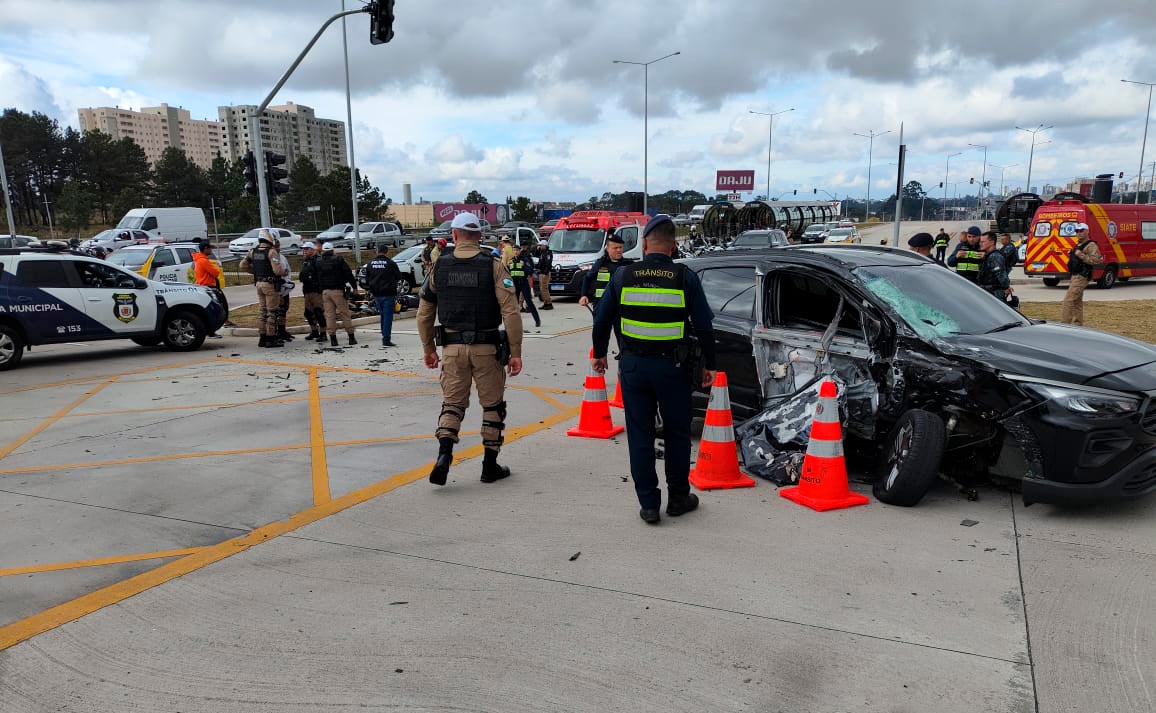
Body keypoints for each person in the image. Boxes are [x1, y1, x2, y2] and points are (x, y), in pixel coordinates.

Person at [591, 214, 716, 524]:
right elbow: (704, 326)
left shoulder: (622, 275)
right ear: (673, 246)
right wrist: (710, 365)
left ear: (645, 244)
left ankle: (649, 505)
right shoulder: (685, 277)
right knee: (677, 434)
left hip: (634, 368)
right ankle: (678, 498)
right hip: (674, 368)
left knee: (640, 435)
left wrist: (600, 353)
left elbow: (601, 319)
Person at [417, 212, 524, 486]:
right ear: (479, 236)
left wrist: (428, 348)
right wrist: (515, 352)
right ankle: (489, 466)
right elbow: (511, 312)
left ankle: (444, 456)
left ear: (454, 235)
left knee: (452, 404)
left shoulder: (438, 267)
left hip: (452, 349)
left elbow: (424, 313)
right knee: (493, 406)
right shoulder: (494, 265)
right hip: (486, 349)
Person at [239, 230, 285, 348]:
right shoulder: (271, 252)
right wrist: (284, 272)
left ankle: (262, 338)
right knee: (272, 312)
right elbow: (277, 271)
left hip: (259, 283)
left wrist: (255, 272)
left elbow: (242, 265)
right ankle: (270, 339)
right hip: (270, 285)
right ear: (270, 239)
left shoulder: (252, 252)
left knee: (262, 311)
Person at [316, 242, 358, 346]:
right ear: (332, 250)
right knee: (344, 313)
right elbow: (348, 273)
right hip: (338, 290)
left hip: (325, 292)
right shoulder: (339, 260)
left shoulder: (319, 261)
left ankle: (333, 339)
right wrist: (354, 287)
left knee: (329, 315)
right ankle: (351, 337)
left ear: (323, 251)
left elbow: (318, 277)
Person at [1062, 222, 1103, 326]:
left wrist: (1081, 256)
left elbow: (1097, 260)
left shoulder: (1091, 245)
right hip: (1074, 275)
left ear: (1087, 231)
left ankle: (1064, 324)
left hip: (1081, 276)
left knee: (1068, 300)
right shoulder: (1078, 245)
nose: (1079, 233)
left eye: (1081, 231)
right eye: (1077, 231)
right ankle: (1078, 324)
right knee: (1077, 302)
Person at [579, 232, 634, 308]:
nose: (619, 250)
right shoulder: (600, 264)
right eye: (615, 248)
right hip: (601, 305)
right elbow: (587, 278)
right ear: (607, 249)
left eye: (620, 247)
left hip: (621, 306)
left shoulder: (628, 265)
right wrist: (584, 295)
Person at [364, 243, 401, 347]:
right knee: (388, 316)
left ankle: (384, 334)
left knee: (383, 315)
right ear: (386, 252)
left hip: (376, 294)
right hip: (389, 293)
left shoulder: (370, 264)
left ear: (377, 251)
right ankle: (386, 339)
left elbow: (367, 279)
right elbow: (398, 277)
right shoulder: (391, 263)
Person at [192, 241, 227, 338]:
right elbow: (215, 272)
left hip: (204, 286)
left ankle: (211, 331)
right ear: (205, 249)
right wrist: (215, 268)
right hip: (208, 287)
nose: (211, 250)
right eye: (210, 248)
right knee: (215, 309)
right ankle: (211, 331)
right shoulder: (203, 261)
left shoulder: (200, 260)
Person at [509, 243, 541, 328]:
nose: (515, 252)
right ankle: (515, 323)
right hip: (515, 283)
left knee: (529, 302)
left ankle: (537, 320)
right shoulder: (511, 260)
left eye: (517, 250)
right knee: (514, 304)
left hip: (523, 282)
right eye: (514, 250)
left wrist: (523, 266)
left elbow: (530, 270)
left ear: (520, 251)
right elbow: (508, 273)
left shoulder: (524, 259)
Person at [298, 242, 326, 341]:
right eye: (304, 249)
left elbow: (321, 276)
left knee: (319, 312)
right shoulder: (306, 261)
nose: (304, 251)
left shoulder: (318, 260)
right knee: (308, 313)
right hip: (307, 290)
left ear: (312, 249)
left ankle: (323, 333)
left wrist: (320, 288)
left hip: (316, 291)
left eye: (307, 249)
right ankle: (314, 331)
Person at [976, 231, 1011, 300]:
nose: (980, 244)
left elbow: (1002, 276)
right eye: (980, 242)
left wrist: (1006, 287)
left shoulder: (995, 256)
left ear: (992, 242)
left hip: (994, 293)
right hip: (988, 291)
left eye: (983, 242)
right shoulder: (988, 256)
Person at [273, 239, 295, 343]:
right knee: (275, 312)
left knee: (283, 310)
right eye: (275, 246)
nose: (277, 248)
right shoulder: (271, 258)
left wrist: (288, 281)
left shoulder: (282, 257)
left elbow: (288, 270)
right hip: (276, 290)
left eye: (278, 246)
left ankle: (282, 331)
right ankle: (275, 333)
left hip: (285, 289)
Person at [534, 239, 554, 310]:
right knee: (542, 289)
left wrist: (545, 273)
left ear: (545, 246)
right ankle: (545, 303)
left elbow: (548, 264)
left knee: (544, 289)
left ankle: (549, 303)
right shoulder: (542, 252)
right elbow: (535, 255)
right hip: (541, 272)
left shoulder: (548, 253)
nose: (540, 247)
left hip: (545, 273)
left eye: (541, 245)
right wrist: (537, 249)